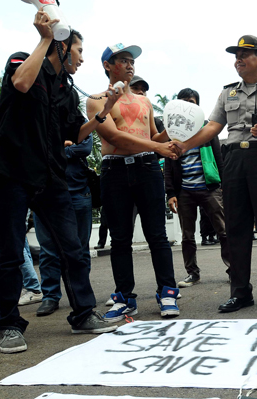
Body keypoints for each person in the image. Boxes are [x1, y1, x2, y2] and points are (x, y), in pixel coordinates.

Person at [0, 12, 119, 353]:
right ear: (62, 45)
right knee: (11, 252)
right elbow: (21, 85)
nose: (83, 58)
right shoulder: (23, 61)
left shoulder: (67, 91)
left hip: (51, 175)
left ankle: (84, 314)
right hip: (13, 172)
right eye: (78, 50)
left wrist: (103, 112)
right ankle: (10, 326)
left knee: (73, 247)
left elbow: (75, 132)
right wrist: (44, 39)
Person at [173, 35, 257, 313]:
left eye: (244, 55)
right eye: (235, 56)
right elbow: (213, 126)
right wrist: (185, 145)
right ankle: (240, 292)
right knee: (235, 228)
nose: (237, 60)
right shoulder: (228, 92)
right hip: (234, 161)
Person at [87, 43, 181, 321]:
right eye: (123, 60)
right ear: (107, 65)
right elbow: (113, 137)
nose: (130, 65)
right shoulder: (96, 100)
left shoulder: (145, 101)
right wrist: (158, 148)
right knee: (120, 239)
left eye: (132, 61)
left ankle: (167, 292)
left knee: (157, 235)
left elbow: (153, 137)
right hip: (114, 171)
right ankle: (124, 297)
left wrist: (174, 134)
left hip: (146, 169)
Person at [164, 88, 230, 288]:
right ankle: (192, 273)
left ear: (197, 105)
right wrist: (171, 193)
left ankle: (233, 269)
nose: (188, 105)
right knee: (187, 236)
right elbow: (169, 164)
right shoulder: (173, 132)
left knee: (224, 231)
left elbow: (219, 158)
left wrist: (224, 186)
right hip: (184, 191)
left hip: (209, 187)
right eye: (184, 102)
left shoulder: (207, 129)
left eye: (192, 101)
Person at [34, 136, 93, 317]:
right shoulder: (39, 120)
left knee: (81, 249)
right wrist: (66, 146)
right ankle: (50, 296)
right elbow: (35, 150)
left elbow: (85, 148)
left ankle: (81, 296)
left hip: (79, 192)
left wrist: (54, 149)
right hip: (44, 193)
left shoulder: (78, 121)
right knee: (48, 249)